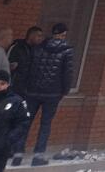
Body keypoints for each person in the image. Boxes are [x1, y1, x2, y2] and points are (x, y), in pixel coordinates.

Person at [19, 24, 74, 166]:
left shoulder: (38, 47)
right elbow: (67, 74)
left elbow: (28, 67)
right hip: (52, 94)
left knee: (26, 121)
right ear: (64, 34)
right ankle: (38, 156)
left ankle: (17, 154)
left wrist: (27, 86)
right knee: (45, 124)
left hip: (33, 91)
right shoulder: (67, 50)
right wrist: (65, 91)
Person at [0, 72, 28, 172]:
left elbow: (22, 124)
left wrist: (7, 140)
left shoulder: (16, 102)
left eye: (2, 83)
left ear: (8, 85)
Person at [6, 30, 42, 100]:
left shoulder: (37, 50)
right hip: (15, 86)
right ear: (31, 36)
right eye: (39, 36)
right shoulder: (17, 46)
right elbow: (7, 64)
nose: (40, 38)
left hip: (28, 88)